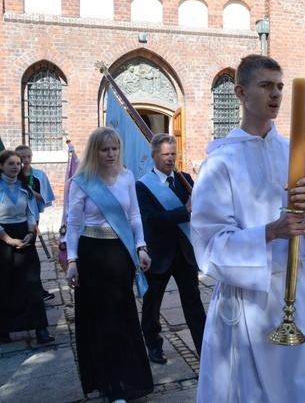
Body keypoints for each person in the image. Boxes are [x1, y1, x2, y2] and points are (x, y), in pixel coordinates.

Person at [190, 54, 305, 402]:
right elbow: (209, 245)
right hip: (248, 303)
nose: (276, 94)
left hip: (296, 294)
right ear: (241, 92)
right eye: (266, 86)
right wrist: (269, 231)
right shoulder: (220, 162)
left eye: (280, 87)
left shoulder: (294, 152)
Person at [65, 127, 154, 403]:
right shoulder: (82, 181)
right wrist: (72, 261)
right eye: (105, 149)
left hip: (120, 255)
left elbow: (135, 215)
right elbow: (73, 223)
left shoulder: (127, 177)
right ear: (95, 151)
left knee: (123, 317)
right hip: (92, 256)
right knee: (100, 320)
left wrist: (141, 247)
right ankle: (110, 383)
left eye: (115, 148)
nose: (111, 154)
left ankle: (129, 379)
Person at [136, 133, 206, 364]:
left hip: (185, 253)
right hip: (158, 254)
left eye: (173, 154)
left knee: (194, 304)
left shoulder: (185, 179)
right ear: (154, 155)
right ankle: (154, 346)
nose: (170, 158)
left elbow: (200, 209)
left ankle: (205, 349)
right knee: (152, 304)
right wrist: (184, 211)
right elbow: (152, 219)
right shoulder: (143, 186)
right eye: (165, 154)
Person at [0, 149, 55, 345]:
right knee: (5, 283)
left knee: (32, 282)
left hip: (25, 234)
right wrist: (8, 240)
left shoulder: (25, 186)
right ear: (1, 166)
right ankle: (4, 329)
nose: (16, 166)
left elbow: (31, 211)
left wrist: (31, 232)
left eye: (18, 163)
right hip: (3, 239)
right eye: (11, 164)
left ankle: (41, 330)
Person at [16, 145, 56, 301]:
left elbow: (45, 199)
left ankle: (36, 290)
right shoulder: (12, 174)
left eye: (28, 157)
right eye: (21, 157)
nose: (25, 160)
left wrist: (30, 191)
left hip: (32, 217)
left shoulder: (39, 175)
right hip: (15, 218)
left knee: (29, 253)